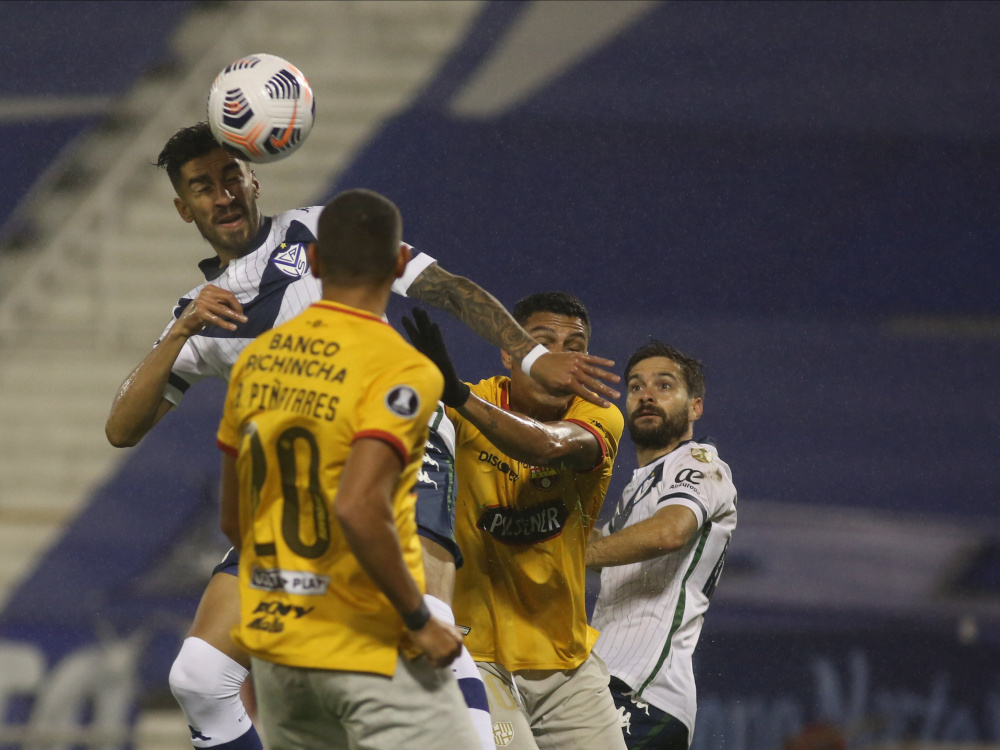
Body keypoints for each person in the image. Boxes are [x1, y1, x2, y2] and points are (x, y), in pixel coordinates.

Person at [104, 123, 621, 750]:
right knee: (199, 676)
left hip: (397, 437)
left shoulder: (323, 230)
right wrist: (180, 330)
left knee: (423, 628)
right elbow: (121, 429)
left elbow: (449, 288)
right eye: (202, 187)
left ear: (254, 177)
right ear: (185, 209)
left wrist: (533, 357)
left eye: (230, 177)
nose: (223, 195)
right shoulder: (203, 312)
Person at [215, 188, 481, 749]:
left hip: (280, 647)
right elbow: (360, 507)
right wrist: (416, 618)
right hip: (368, 641)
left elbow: (236, 519)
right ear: (401, 263)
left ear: (313, 261)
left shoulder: (257, 362)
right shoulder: (403, 368)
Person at [403, 295, 627, 750]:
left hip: (566, 666)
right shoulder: (458, 407)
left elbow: (544, 446)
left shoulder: (598, 415)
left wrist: (458, 398)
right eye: (543, 343)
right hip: (475, 658)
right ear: (508, 352)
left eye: (574, 345)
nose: (561, 357)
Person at [586, 341, 738, 749]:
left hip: (644, 691)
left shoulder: (699, 462)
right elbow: (599, 547)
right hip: (603, 682)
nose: (646, 395)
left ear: (695, 408)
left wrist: (573, 551)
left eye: (664, 386)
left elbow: (669, 532)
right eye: (635, 387)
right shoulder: (638, 488)